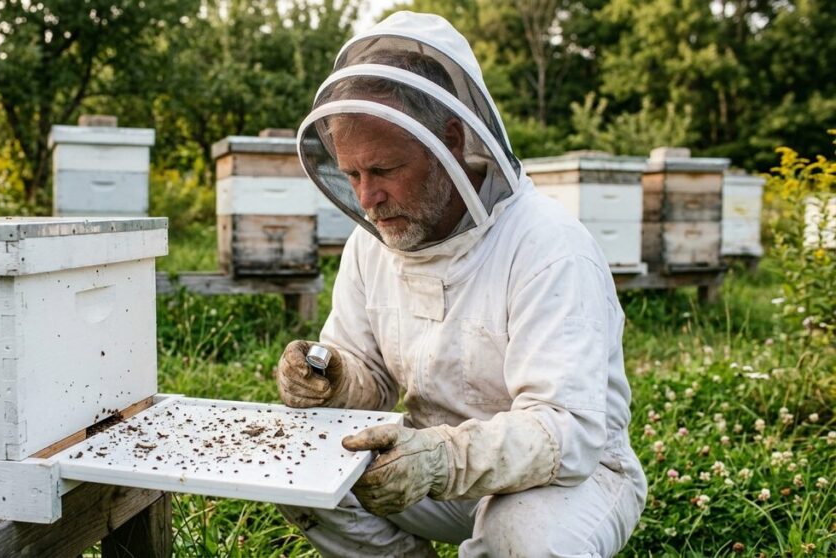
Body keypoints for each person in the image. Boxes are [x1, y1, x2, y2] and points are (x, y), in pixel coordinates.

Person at [273, 10, 647, 557]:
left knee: (524, 541)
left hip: (568, 477)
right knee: (301, 471)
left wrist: (440, 459)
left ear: (451, 139)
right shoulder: (370, 245)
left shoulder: (548, 245)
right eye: (352, 175)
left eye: (383, 170)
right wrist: (332, 380)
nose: (366, 198)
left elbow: (566, 431)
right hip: (421, 466)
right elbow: (368, 376)